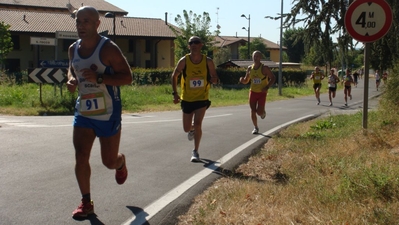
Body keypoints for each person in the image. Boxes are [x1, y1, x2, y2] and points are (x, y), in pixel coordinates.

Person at [66, 6, 132, 219]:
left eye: (86, 21)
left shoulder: (108, 49)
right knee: (81, 155)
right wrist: (71, 79)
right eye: (78, 21)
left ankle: (120, 162)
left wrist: (100, 79)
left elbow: (128, 77)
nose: (81, 25)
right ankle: (86, 203)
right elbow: (72, 66)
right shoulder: (72, 48)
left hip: (108, 112)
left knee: (108, 161)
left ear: (97, 24)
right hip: (84, 111)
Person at [171, 36, 218, 162]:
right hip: (187, 98)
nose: (194, 44)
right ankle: (191, 130)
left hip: (202, 98)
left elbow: (214, 76)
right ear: (189, 46)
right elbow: (174, 76)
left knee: (198, 124)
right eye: (191, 43)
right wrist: (175, 93)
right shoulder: (184, 61)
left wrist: (214, 79)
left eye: (197, 42)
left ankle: (195, 151)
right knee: (186, 128)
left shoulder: (208, 61)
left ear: (201, 45)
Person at [239, 50, 276, 134]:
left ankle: (262, 112)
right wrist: (242, 80)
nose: (255, 58)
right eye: (254, 56)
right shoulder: (249, 68)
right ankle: (255, 127)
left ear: (260, 58)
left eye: (257, 56)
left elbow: (273, 78)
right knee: (252, 110)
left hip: (262, 93)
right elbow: (246, 80)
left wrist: (267, 87)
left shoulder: (264, 68)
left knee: (259, 112)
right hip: (253, 92)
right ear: (252, 57)